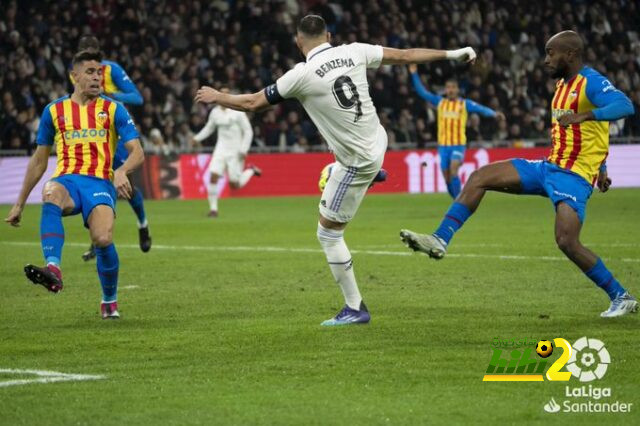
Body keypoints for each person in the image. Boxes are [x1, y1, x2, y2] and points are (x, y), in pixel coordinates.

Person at [195, 14, 476, 326]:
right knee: (335, 166)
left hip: (357, 161)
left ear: (298, 41)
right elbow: (406, 55)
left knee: (327, 233)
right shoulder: (354, 50)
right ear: (328, 35)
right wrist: (453, 53)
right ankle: (371, 176)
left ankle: (355, 308)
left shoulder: (300, 75)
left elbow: (252, 103)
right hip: (377, 142)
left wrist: (217, 96)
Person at [400, 31, 637, 318]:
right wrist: (604, 167)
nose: (546, 59)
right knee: (479, 177)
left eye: (551, 53)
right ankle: (440, 239)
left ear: (571, 54)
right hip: (547, 166)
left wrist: (586, 119)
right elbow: (592, 137)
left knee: (567, 241)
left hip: (572, 176)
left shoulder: (592, 82)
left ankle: (620, 296)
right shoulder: (563, 85)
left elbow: (625, 105)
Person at [4, 49, 144, 319]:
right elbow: (38, 161)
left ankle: (109, 301)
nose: (97, 78)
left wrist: (122, 170)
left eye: (99, 73)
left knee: (102, 239)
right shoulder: (54, 111)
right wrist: (19, 203)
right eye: (90, 72)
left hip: (99, 182)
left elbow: (137, 151)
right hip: (68, 180)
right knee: (51, 191)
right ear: (74, 75)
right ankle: (53, 269)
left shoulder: (113, 108)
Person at [73, 36, 151, 260]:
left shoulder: (111, 70)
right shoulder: (76, 75)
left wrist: (112, 95)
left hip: (114, 136)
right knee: (92, 188)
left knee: (127, 188)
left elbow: (137, 98)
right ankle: (97, 240)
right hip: (89, 138)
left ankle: (143, 224)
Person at [408, 64, 505, 198]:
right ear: (446, 90)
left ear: (458, 89)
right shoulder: (440, 102)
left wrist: (494, 114)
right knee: (447, 177)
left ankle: (461, 201)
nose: (451, 90)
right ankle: (456, 201)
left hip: (458, 144)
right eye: (448, 87)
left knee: (454, 170)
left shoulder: (464, 104)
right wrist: (414, 74)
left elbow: (481, 109)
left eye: (453, 87)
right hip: (443, 146)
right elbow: (423, 93)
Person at [191, 87, 260, 217]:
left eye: (227, 93)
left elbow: (248, 131)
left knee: (235, 185)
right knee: (213, 175)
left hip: (236, 151)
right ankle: (213, 209)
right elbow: (209, 128)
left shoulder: (238, 112)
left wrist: (244, 148)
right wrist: (196, 138)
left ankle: (250, 170)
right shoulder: (215, 113)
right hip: (221, 149)